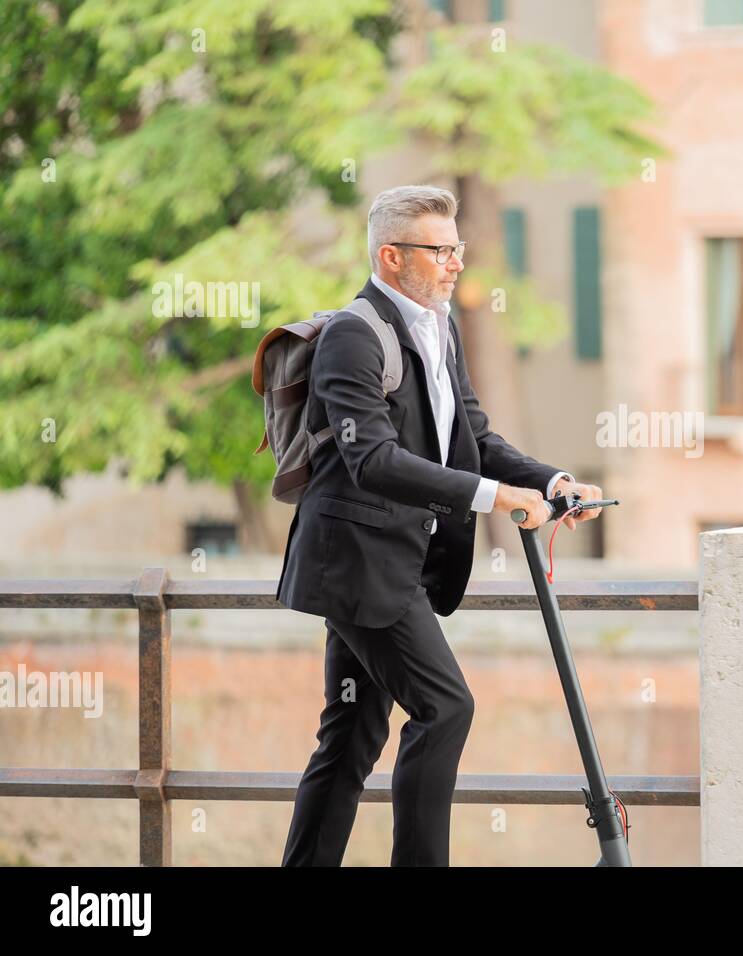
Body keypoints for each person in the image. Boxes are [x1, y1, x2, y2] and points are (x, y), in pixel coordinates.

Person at [276, 184, 603, 866]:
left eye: (459, 249)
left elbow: (473, 437)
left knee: (349, 739)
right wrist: (494, 499)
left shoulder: (439, 326)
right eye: (440, 251)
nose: (456, 264)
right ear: (392, 257)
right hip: (360, 565)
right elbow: (372, 459)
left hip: (398, 564)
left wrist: (550, 482)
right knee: (445, 708)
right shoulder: (352, 337)